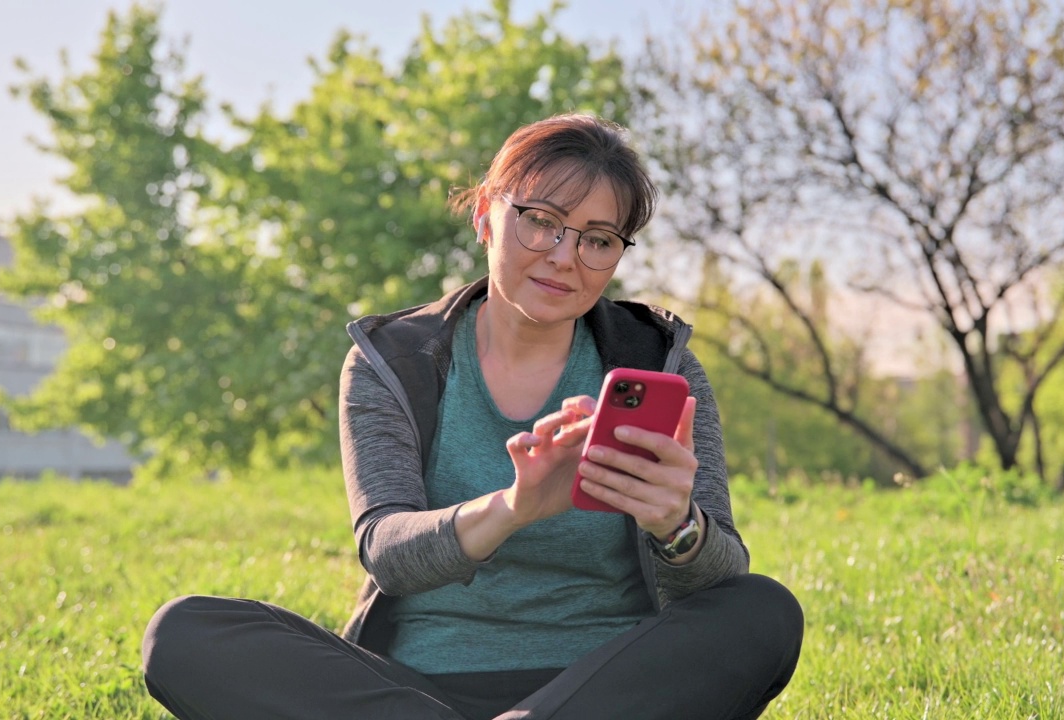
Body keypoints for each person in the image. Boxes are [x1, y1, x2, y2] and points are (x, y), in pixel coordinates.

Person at [141, 113, 804, 720]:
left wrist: (676, 525)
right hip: (412, 691)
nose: (565, 256)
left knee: (763, 611)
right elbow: (388, 554)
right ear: (487, 215)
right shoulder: (392, 362)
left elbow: (720, 579)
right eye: (541, 220)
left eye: (598, 239)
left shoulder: (663, 367)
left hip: (605, 687)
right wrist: (514, 507)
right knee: (186, 632)